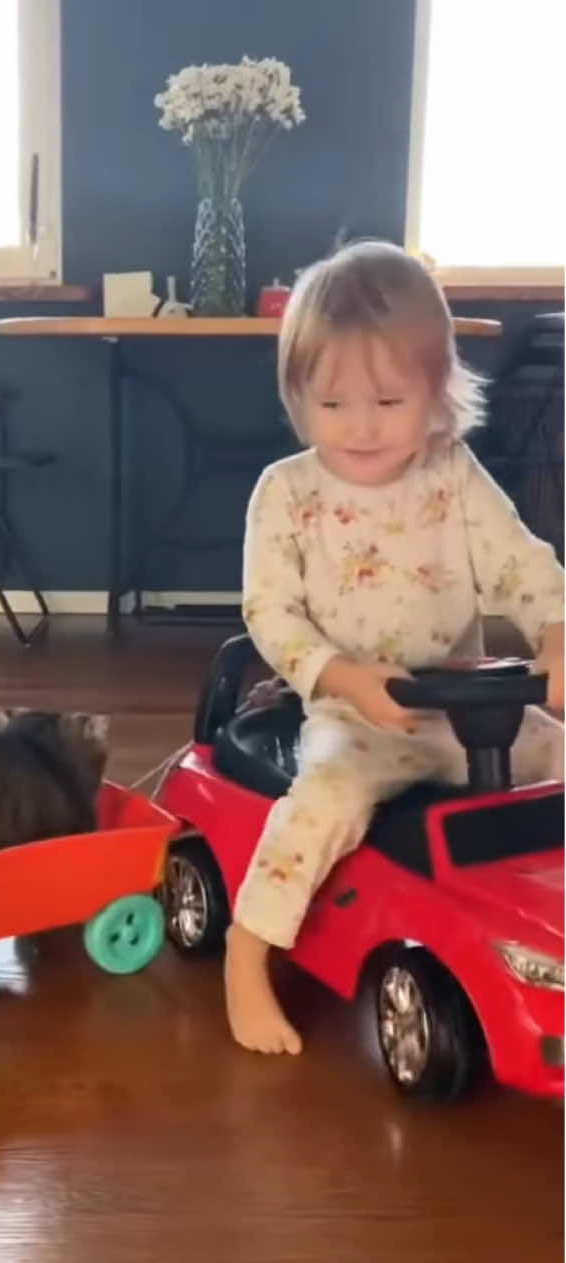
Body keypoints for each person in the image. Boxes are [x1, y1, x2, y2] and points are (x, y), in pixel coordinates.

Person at [225, 240, 565, 1056]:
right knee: (323, 805)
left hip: (472, 710)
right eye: (332, 404)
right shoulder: (287, 494)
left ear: (436, 394)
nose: (362, 427)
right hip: (358, 718)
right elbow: (270, 615)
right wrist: (337, 675)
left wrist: (554, 632)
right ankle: (247, 956)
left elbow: (523, 564)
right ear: (298, 398)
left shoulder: (451, 475)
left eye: (387, 400)